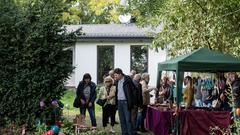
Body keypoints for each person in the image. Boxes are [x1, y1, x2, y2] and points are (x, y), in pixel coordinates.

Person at [114, 68, 136, 135]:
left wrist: (133, 102)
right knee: (122, 119)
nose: (115, 77)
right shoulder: (117, 81)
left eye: (116, 75)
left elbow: (134, 91)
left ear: (120, 74)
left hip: (126, 102)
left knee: (128, 120)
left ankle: (130, 133)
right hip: (119, 102)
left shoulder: (127, 80)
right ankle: (124, 133)